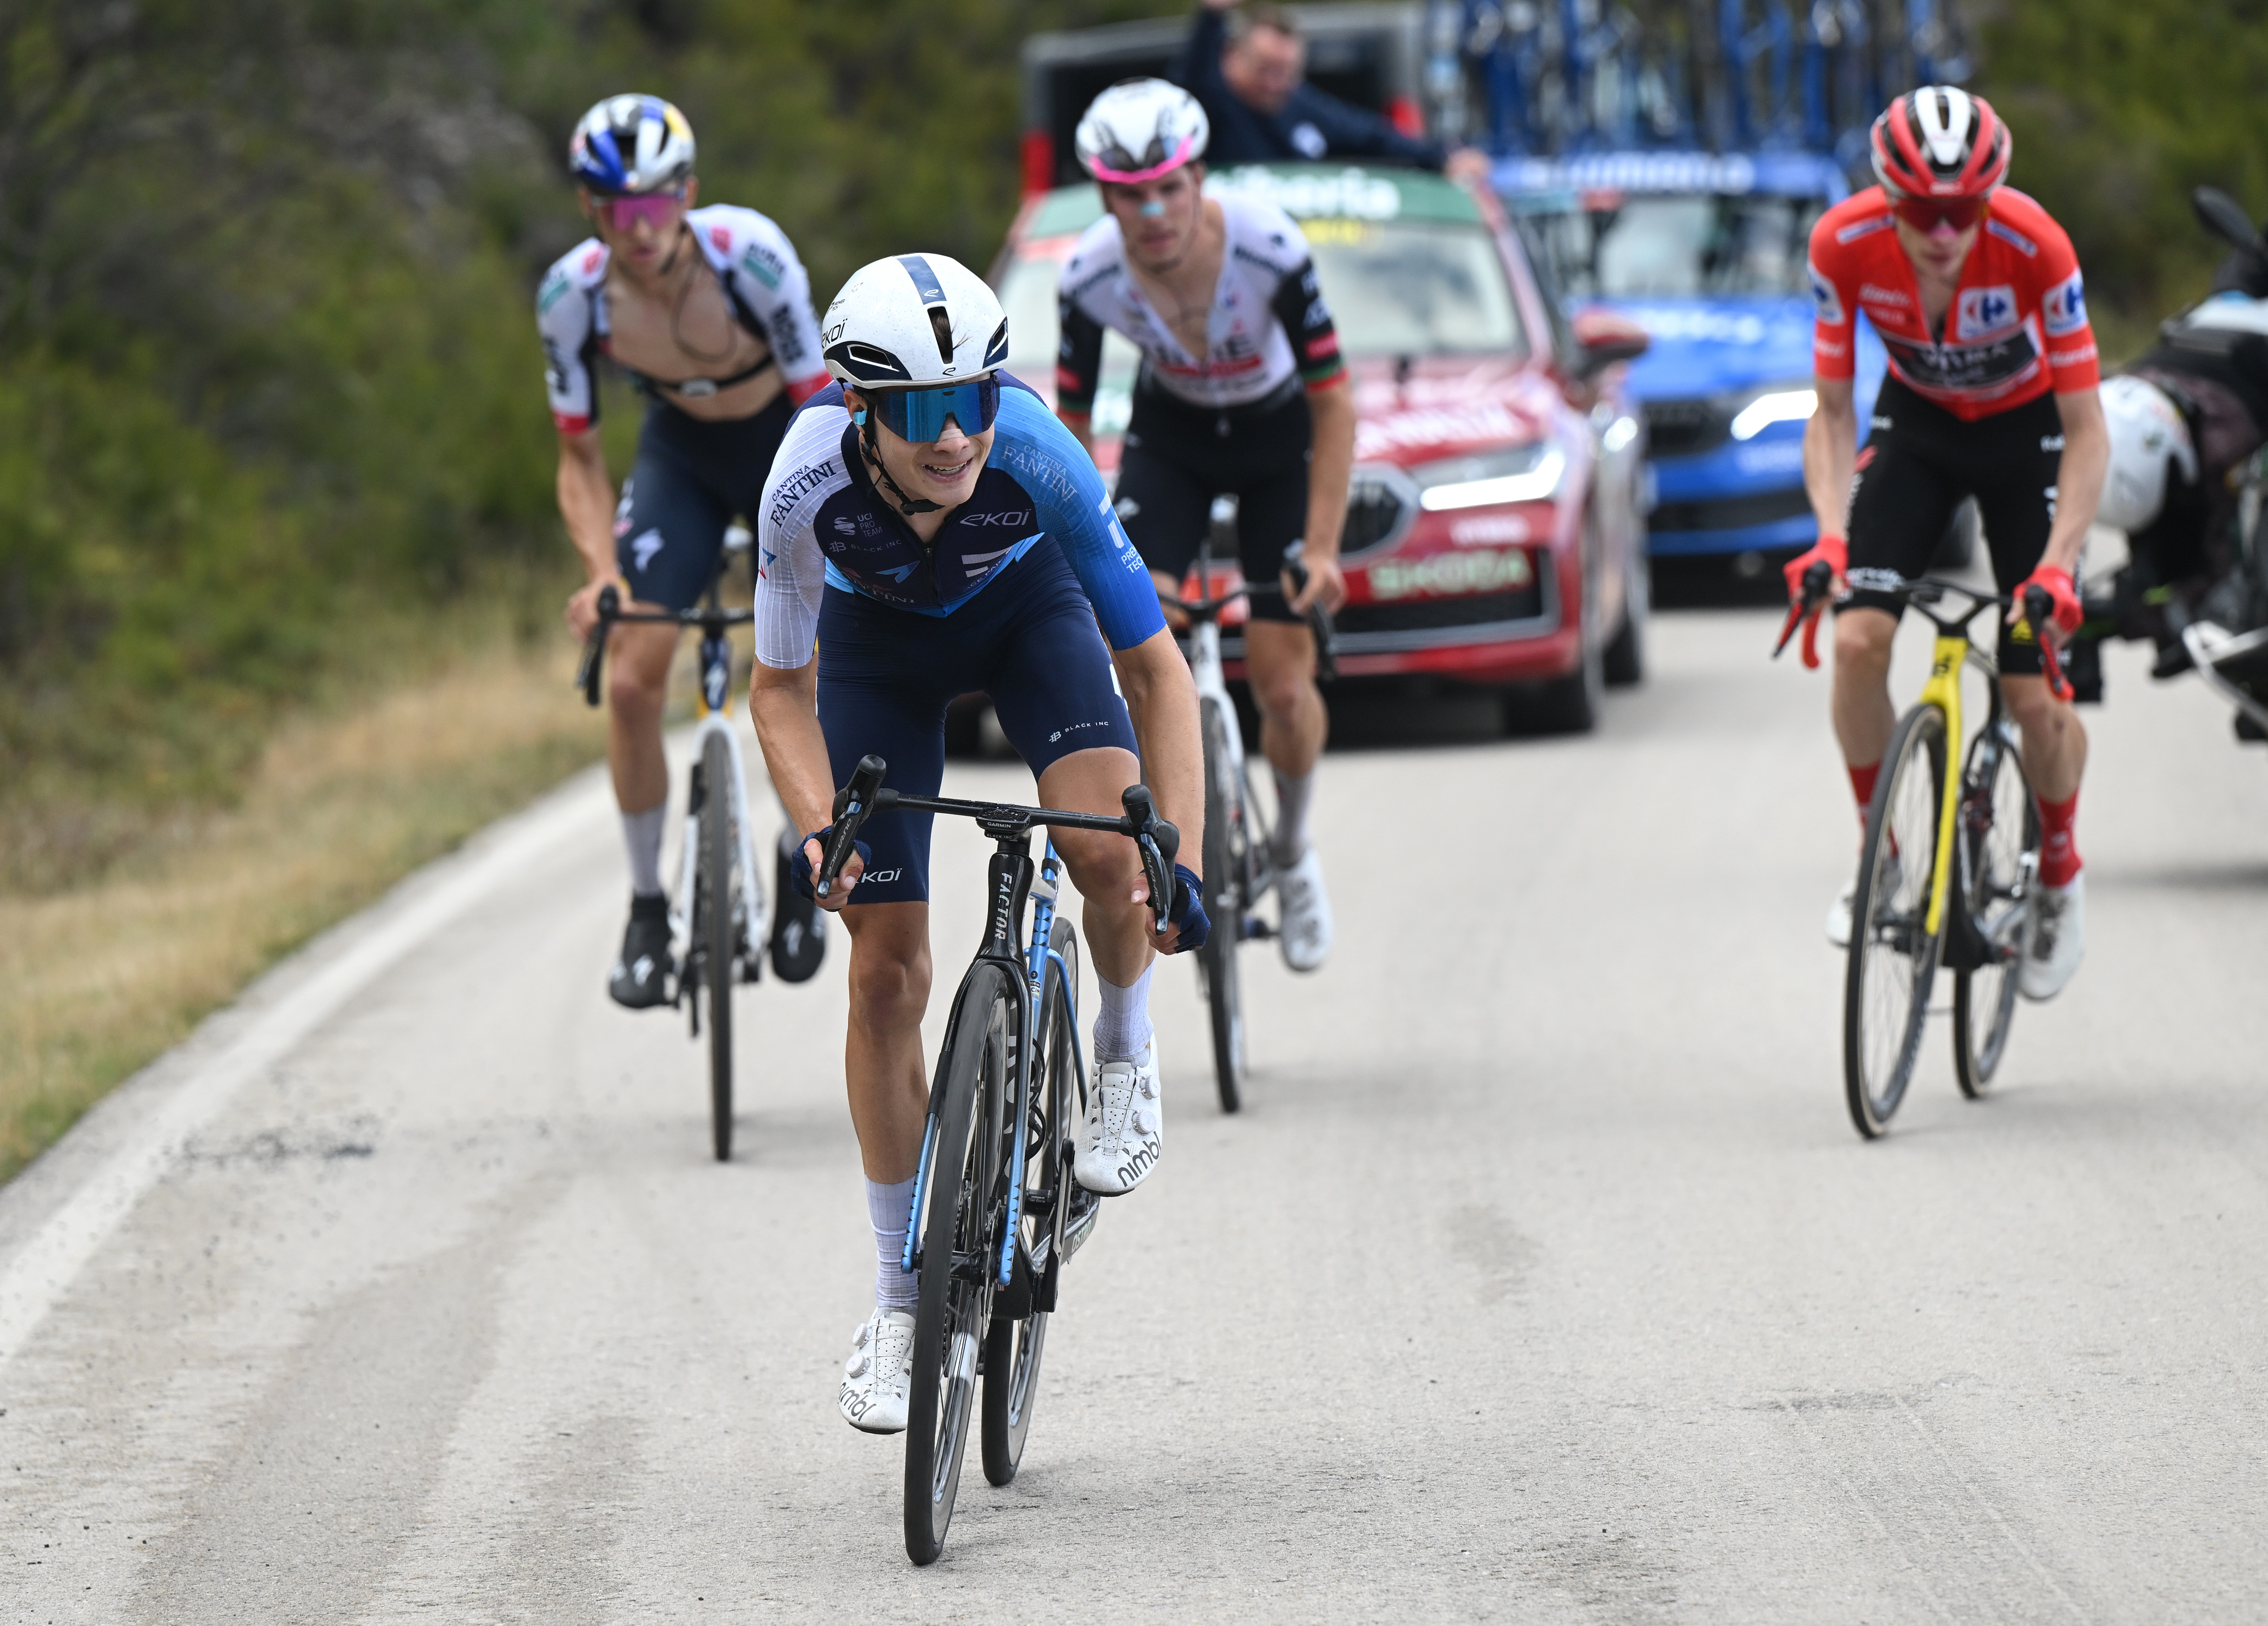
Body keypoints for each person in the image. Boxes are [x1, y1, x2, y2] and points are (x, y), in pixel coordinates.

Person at [745, 253, 1209, 1433]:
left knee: (1109, 854)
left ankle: (1123, 1049)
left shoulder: (1039, 456)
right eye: (920, 411)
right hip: (878, 653)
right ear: (860, 407)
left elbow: (1158, 670)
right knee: (884, 973)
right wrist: (819, 828)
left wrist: (1184, 861)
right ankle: (900, 1302)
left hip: (1026, 616)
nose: (955, 436)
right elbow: (779, 690)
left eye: (973, 399)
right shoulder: (802, 485)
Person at [1791, 86, 2106, 999]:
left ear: (1988, 197)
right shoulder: (1841, 243)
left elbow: (2086, 429)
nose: (1940, 233)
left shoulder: (2036, 247)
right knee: (1857, 641)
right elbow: (1832, 410)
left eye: (1962, 211)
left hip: (2029, 442)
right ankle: (1880, 856)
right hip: (1920, 433)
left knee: (2030, 692)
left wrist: (2056, 565)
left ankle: (2059, 873)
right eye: (1921, 212)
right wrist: (1828, 537)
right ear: (1887, 197)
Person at [538, 94, 832, 1008]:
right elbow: (579, 458)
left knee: (815, 659)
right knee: (632, 679)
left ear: (688, 195)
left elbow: (822, 409)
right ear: (591, 210)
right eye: (618, 208)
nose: (640, 227)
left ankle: (797, 858)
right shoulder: (571, 298)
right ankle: (646, 907)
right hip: (681, 458)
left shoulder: (753, 258)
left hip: (782, 440)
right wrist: (602, 574)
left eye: (656, 203)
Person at [1056, 78, 1349, 972]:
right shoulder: (1087, 276)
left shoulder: (1269, 247)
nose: (1152, 213)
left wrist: (1323, 547)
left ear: (1198, 178)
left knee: (1283, 683)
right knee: (1142, 635)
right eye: (1129, 195)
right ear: (1104, 197)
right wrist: (1074, 552)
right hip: (1172, 440)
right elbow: (1072, 427)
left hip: (1275, 438)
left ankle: (1291, 848)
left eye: (1168, 188)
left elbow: (1334, 403)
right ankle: (1167, 837)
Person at [1173, 0, 1489, 180]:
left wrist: (1442, 157)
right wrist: (1211, 17)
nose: (1274, 83)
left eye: (1285, 73)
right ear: (1231, 57)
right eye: (1264, 70)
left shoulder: (1300, 107)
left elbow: (1371, 137)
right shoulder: (1210, 107)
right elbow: (1194, 82)